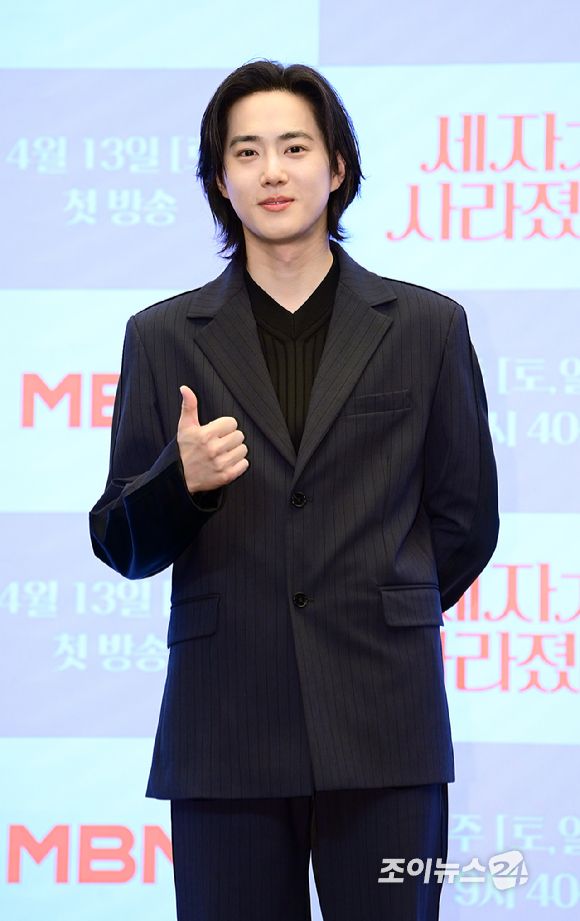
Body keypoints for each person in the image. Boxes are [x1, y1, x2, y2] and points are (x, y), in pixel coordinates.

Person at [89, 59, 499, 921]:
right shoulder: (162, 336)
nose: (272, 171)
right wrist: (181, 484)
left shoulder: (427, 326)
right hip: (223, 727)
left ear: (337, 167)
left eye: (294, 147)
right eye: (246, 152)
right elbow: (120, 539)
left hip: (385, 719)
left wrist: (385, 602)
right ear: (220, 181)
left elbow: (466, 518)